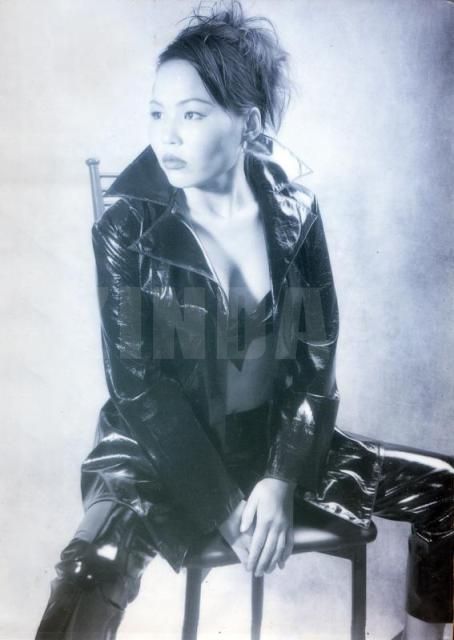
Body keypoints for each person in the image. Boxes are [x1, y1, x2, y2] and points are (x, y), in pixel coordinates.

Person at [35, 2, 453, 639]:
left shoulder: (296, 212)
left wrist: (281, 477)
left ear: (248, 124)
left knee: (446, 491)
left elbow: (317, 357)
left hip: (275, 441)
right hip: (159, 453)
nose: (167, 136)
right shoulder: (125, 228)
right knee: (92, 565)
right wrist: (224, 509)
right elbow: (139, 389)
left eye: (192, 114)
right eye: (157, 113)